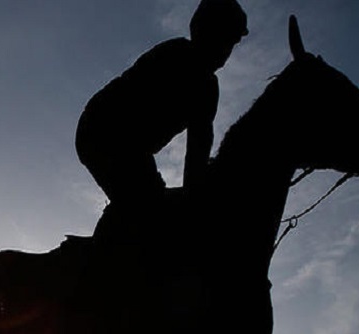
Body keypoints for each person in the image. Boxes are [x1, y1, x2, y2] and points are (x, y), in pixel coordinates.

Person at [75, 0, 248, 246]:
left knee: (150, 204)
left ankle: (116, 235)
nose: (227, 52)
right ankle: (103, 254)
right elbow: (194, 155)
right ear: (208, 33)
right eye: (227, 41)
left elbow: (198, 150)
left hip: (128, 146)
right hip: (103, 130)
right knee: (149, 208)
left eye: (232, 44)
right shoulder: (177, 55)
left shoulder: (207, 86)